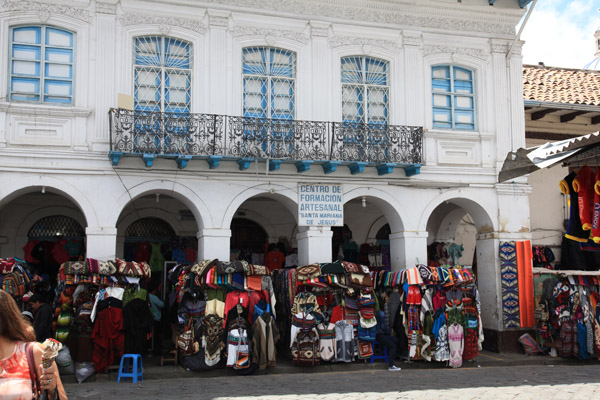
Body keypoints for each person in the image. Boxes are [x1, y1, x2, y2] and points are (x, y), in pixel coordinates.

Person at [0, 289, 67, 399]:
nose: (32, 307)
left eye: (32, 304)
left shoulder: (34, 352)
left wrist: (51, 390)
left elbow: (43, 326)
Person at [375, 292, 401, 371]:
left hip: (379, 334)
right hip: (381, 335)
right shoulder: (381, 314)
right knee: (393, 345)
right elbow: (383, 327)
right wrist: (389, 332)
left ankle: (391, 358)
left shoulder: (377, 313)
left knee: (395, 341)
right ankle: (391, 365)